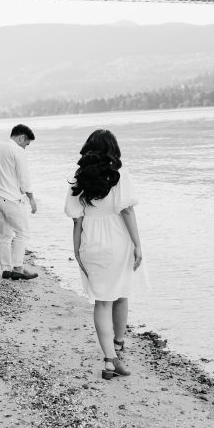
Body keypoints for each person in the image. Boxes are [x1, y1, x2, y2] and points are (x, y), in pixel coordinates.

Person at [64, 129, 145, 380]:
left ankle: (110, 359)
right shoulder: (119, 175)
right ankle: (118, 344)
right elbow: (127, 212)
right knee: (121, 294)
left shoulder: (78, 178)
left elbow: (76, 221)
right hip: (117, 241)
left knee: (102, 301)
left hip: (91, 242)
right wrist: (138, 245)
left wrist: (76, 250)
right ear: (113, 148)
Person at [0, 124, 38, 280]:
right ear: (21, 137)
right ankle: (18, 268)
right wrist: (31, 198)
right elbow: (24, 178)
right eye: (26, 143)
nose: (25, 147)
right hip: (10, 199)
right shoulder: (17, 151)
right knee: (22, 233)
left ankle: (6, 268)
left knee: (5, 234)